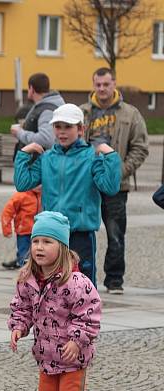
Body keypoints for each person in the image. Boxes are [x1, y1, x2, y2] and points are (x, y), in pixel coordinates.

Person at [9, 211, 101, 391]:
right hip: (46, 354)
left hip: (73, 355)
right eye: (36, 241)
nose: (39, 247)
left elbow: (89, 314)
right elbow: (22, 307)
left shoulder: (76, 282)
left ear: (61, 247)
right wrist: (19, 326)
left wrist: (76, 340)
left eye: (47, 242)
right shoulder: (28, 279)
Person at [14, 103, 121, 284]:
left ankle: (85, 313)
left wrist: (111, 156)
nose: (62, 132)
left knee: (82, 282)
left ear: (81, 129)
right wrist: (24, 153)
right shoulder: (47, 158)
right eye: (58, 127)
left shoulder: (91, 156)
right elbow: (23, 183)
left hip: (80, 233)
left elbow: (110, 187)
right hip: (51, 233)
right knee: (49, 283)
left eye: (68, 127)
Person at [80, 67, 149, 295]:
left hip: (117, 186)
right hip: (86, 183)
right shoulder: (82, 112)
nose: (101, 89)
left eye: (106, 84)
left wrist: (119, 171)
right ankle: (80, 277)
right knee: (81, 232)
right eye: (97, 84)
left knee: (115, 234)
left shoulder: (131, 113)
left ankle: (114, 280)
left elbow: (140, 147)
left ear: (114, 84)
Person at [11, 73, 65, 151]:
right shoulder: (44, 105)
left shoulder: (47, 110)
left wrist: (19, 133)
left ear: (32, 89)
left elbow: (46, 139)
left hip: (40, 161)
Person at [0, 186, 41, 269]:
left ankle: (22, 262)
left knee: (36, 251)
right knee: (24, 251)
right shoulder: (21, 195)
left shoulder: (43, 195)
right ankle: (24, 268)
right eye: (36, 183)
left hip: (38, 231)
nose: (39, 186)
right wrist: (7, 229)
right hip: (24, 231)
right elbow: (7, 212)